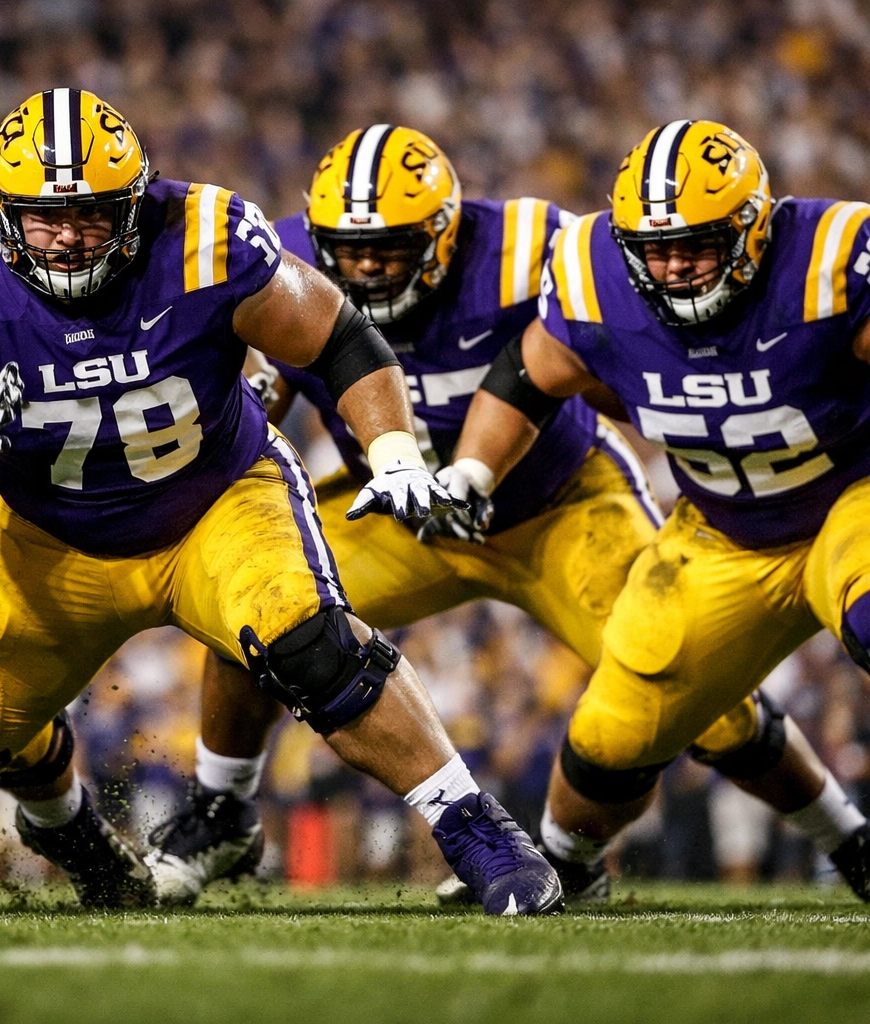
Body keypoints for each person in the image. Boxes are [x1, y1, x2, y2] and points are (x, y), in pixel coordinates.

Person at [0, 89, 564, 917]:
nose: (71, 236)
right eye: (47, 216)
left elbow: (339, 339)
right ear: (3, 209)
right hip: (51, 535)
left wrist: (395, 451)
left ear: (137, 200)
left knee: (312, 641)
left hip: (215, 501)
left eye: (93, 212)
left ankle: (475, 826)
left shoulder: (205, 235)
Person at [147, 124, 869, 907]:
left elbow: (576, 366)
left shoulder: (533, 248)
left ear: (445, 231)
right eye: (348, 249)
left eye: (390, 247)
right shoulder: (279, 258)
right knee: (262, 605)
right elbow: (265, 378)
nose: (365, 266)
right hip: (403, 515)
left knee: (704, 712)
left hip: (558, 507)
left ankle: (843, 836)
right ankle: (221, 806)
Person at [439, 120, 870, 900]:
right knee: (611, 739)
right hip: (721, 533)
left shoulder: (832, 260)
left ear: (755, 229)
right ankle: (566, 865)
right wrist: (472, 468)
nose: (672, 266)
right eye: (656, 249)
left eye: (697, 246)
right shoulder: (594, 272)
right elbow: (529, 373)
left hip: (851, 497)